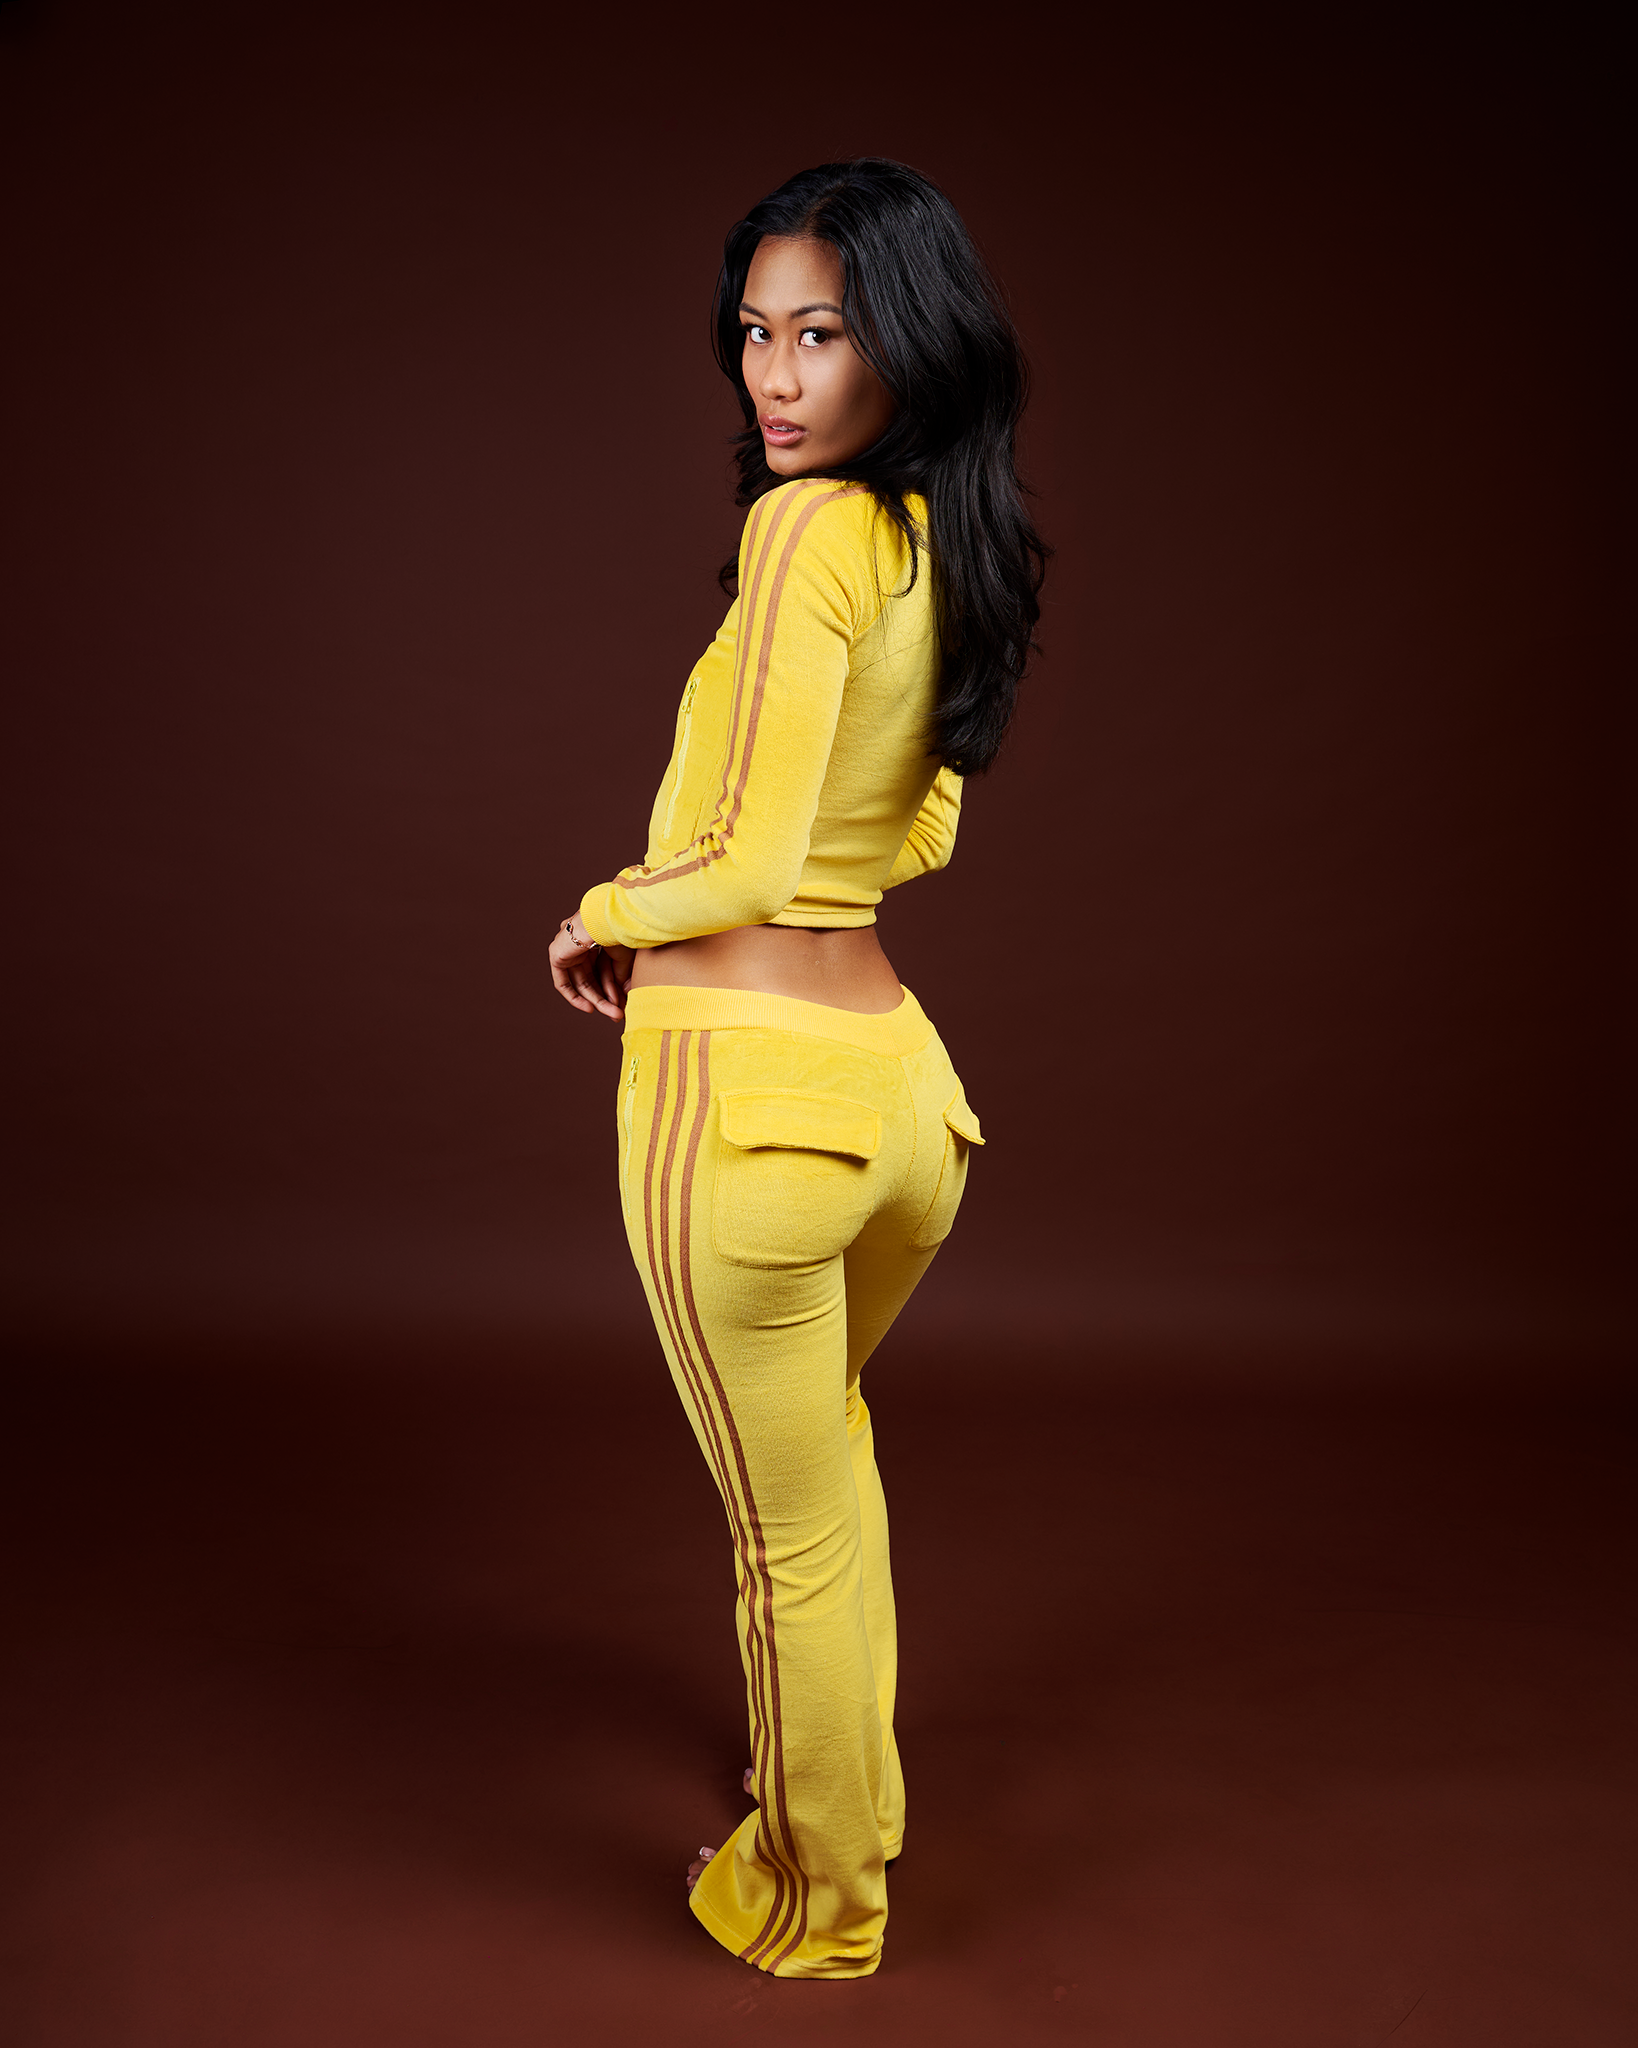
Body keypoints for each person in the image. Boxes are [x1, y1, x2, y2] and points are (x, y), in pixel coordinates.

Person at [548, 158, 1047, 1979]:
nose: (775, 376)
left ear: (903, 342)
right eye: (755, 335)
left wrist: (605, 910)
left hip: (746, 1115)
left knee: (789, 1542)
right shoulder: (943, 538)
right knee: (825, 1474)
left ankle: (816, 1901)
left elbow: (750, 863)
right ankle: (852, 1797)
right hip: (902, 1104)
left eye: (820, 334)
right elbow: (914, 835)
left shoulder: (805, 532)